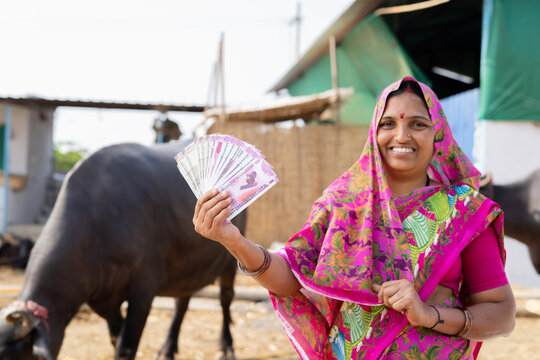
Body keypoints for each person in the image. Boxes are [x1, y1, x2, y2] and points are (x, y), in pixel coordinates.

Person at [192, 77, 516, 359]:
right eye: (388, 124)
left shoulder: (466, 213)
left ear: (439, 135)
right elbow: (292, 278)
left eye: (417, 124)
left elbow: (501, 315)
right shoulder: (342, 204)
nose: (401, 136)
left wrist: (429, 314)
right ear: (374, 133)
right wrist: (233, 241)